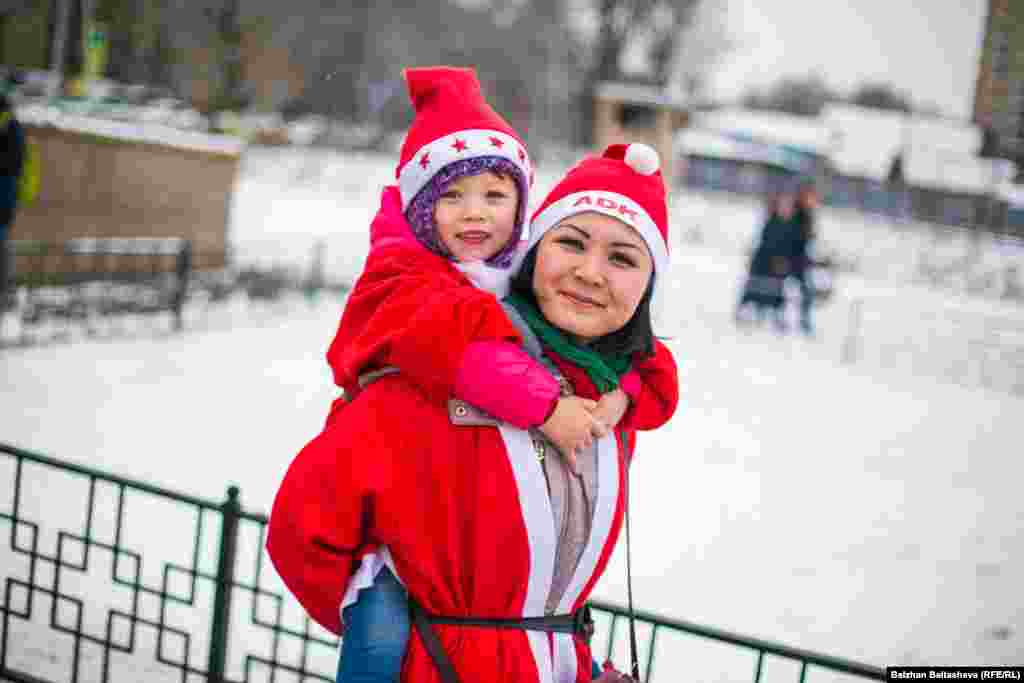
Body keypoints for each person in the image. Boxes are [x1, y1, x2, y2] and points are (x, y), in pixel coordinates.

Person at [267, 142, 679, 682]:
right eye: (571, 243)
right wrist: (385, 621)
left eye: (622, 258)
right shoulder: (438, 374)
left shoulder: (610, 404)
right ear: (532, 252)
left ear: (649, 288)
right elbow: (305, 529)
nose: (590, 272)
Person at [735, 191, 794, 330]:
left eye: (788, 207)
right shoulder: (771, 221)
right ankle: (748, 312)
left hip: (777, 264)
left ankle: (773, 316)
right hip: (764, 261)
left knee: (775, 291)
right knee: (755, 288)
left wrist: (784, 260)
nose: (785, 209)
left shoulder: (789, 224)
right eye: (783, 206)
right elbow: (765, 241)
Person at [0, 94, 25, 312]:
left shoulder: (10, 128)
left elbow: (11, 165)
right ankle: (7, 293)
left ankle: (6, 293)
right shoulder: (14, 127)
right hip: (8, 196)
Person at [785, 179, 818, 335]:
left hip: (801, 259)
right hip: (790, 257)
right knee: (782, 288)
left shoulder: (809, 214)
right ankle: (782, 317)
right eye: (809, 196)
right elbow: (792, 235)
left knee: (806, 292)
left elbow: (807, 238)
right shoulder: (796, 212)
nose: (812, 200)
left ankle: (804, 320)